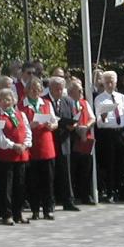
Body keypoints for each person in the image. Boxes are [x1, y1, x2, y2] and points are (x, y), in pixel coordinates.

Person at [0, 88, 31, 225]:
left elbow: (28, 132)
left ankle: (18, 213)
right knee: (5, 187)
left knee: (20, 185)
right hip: (5, 157)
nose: (5, 102)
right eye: (2, 99)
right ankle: (6, 214)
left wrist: (24, 145)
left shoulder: (21, 115)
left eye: (8, 99)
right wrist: (13, 146)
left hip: (21, 155)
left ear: (13, 100)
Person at [19, 77, 57, 220]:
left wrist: (51, 126)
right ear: (27, 90)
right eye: (32, 89)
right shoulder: (22, 105)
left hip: (47, 146)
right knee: (33, 181)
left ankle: (48, 209)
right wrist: (30, 125)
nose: (35, 92)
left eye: (38, 89)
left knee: (48, 180)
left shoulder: (46, 103)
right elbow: (20, 124)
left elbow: (54, 122)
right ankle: (35, 210)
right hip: (32, 147)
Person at [93, 71, 124, 203]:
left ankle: (121, 189)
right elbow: (98, 122)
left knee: (121, 163)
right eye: (107, 82)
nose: (109, 84)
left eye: (112, 82)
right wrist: (102, 118)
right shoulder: (99, 99)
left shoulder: (121, 97)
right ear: (103, 83)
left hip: (120, 132)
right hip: (107, 133)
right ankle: (110, 191)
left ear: (115, 82)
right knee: (110, 163)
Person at [45, 76, 79, 211]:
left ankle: (68, 201)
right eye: (56, 89)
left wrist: (73, 125)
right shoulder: (45, 101)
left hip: (64, 140)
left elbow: (72, 118)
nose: (59, 92)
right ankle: (50, 201)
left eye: (61, 89)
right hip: (50, 140)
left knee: (66, 172)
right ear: (50, 88)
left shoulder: (68, 101)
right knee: (51, 172)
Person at [67, 79, 96, 205]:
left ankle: (86, 194)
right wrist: (77, 128)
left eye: (81, 89)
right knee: (72, 169)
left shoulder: (84, 103)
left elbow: (92, 117)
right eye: (78, 90)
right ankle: (73, 195)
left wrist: (86, 126)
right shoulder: (67, 103)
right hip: (73, 138)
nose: (81, 92)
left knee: (87, 167)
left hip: (85, 138)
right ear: (71, 91)